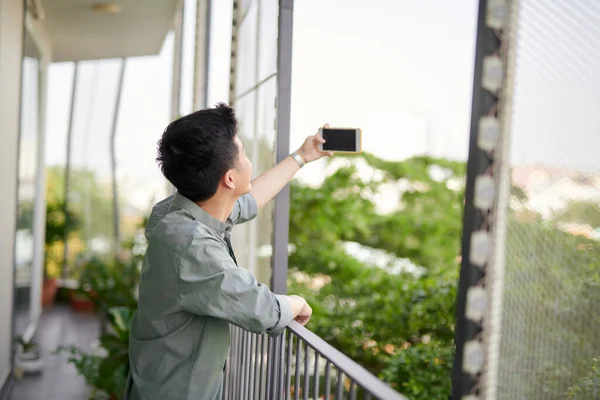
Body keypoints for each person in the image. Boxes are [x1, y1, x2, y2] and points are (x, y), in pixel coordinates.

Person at [124, 103, 333, 400]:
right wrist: (297, 301)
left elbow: (250, 199)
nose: (248, 160)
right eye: (244, 153)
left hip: (158, 380)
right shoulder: (192, 245)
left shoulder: (181, 210)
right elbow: (264, 310)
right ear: (230, 179)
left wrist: (302, 156)